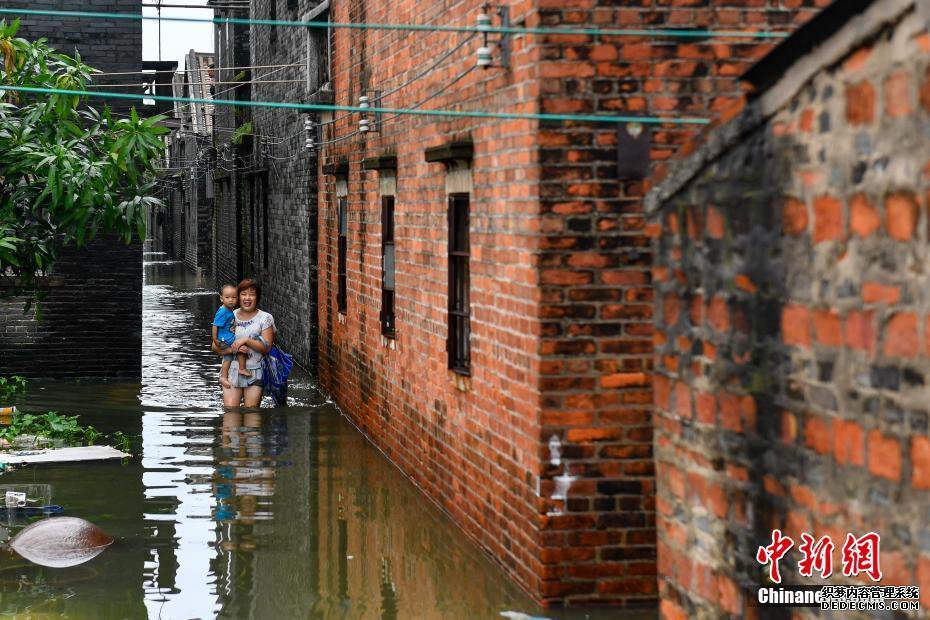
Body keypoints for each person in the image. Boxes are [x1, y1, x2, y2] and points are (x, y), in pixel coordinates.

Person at [212, 279, 275, 408]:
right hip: (231, 371)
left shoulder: (265, 318)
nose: (247, 298)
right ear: (238, 296)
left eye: (252, 294)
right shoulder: (229, 315)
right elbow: (215, 346)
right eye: (243, 294)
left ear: (257, 297)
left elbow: (267, 348)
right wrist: (234, 350)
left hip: (255, 372)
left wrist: (246, 340)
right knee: (230, 415)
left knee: (251, 416)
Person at [212, 284, 250, 389]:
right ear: (221, 298)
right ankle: (241, 368)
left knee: (228, 357)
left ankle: (224, 376)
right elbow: (215, 325)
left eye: (234, 297)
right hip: (225, 339)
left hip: (227, 336)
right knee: (242, 347)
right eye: (227, 297)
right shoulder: (223, 311)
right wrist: (215, 339)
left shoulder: (229, 310)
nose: (231, 300)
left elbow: (228, 324)